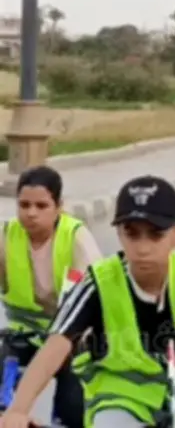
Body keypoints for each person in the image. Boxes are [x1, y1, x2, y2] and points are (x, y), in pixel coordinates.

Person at [0, 175, 175, 428]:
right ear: (118, 233)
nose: (142, 248)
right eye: (132, 234)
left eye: (155, 235)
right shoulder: (99, 281)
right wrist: (18, 410)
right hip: (123, 400)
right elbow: (57, 343)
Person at [0, 166, 103, 428]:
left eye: (41, 205)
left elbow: (98, 297)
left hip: (70, 339)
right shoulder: (7, 236)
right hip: (22, 337)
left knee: (72, 410)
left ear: (59, 207)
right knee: (3, 400)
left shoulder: (76, 238)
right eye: (24, 205)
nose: (31, 213)